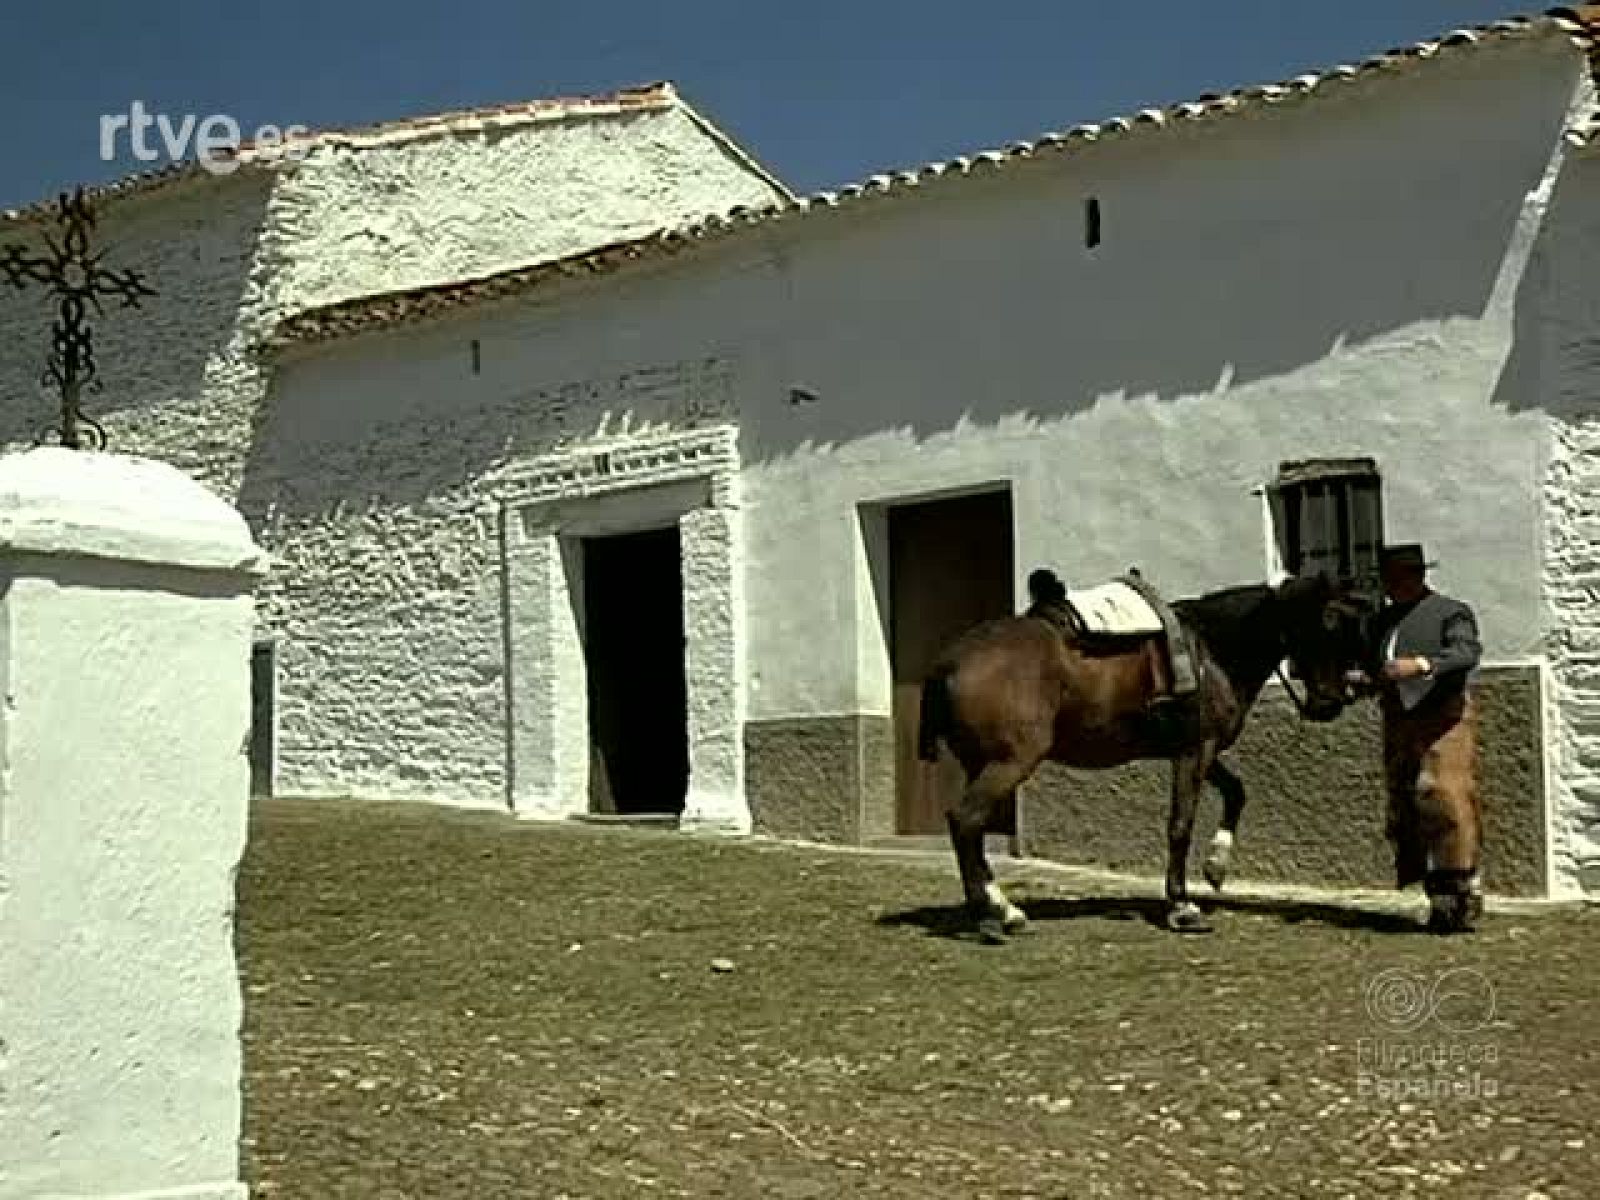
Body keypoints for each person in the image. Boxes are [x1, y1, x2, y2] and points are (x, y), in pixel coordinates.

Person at [1348, 543, 1484, 933]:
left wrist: (1422, 665)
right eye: (1386, 581)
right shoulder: (1381, 621)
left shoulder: (1450, 611)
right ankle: (1431, 887)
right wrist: (1364, 680)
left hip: (1444, 716)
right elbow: (1376, 668)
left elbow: (1465, 653)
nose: (1390, 588)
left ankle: (1460, 888)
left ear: (1415, 577)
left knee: (1445, 793)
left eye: (1395, 580)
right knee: (1405, 798)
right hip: (1400, 719)